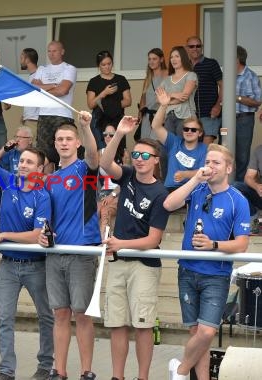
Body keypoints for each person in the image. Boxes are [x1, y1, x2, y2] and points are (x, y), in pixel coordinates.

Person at [0, 104, 53, 380]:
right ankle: (6, 371)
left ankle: (45, 366)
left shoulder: (43, 195)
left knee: (46, 317)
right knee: (5, 319)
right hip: (8, 265)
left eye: (29, 162)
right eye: (21, 161)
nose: (23, 165)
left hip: (36, 266)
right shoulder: (8, 181)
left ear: (40, 168)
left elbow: (37, 235)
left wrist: (4, 235)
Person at [164, 144, 250, 380]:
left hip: (216, 274)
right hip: (188, 270)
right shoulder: (197, 189)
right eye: (208, 162)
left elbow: (242, 244)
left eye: (216, 163)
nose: (210, 167)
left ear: (229, 168)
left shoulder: (238, 200)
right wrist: (194, 180)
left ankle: (179, 370)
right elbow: (169, 205)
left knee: (207, 331)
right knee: (195, 331)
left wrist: (214, 245)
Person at [100, 117, 170, 380]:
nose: (139, 159)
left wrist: (121, 244)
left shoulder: (161, 194)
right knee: (116, 324)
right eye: (136, 154)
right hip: (119, 263)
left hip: (144, 266)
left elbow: (153, 240)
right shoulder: (128, 175)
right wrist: (118, 134)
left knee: (143, 326)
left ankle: (143, 377)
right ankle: (118, 376)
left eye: (145, 155)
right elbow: (106, 164)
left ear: (155, 161)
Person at [38, 112, 100, 380]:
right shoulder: (49, 179)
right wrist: (43, 235)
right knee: (60, 313)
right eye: (59, 139)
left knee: (82, 314)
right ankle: (59, 371)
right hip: (55, 253)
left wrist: (85, 127)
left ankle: (86, 371)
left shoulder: (85, 170)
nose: (63, 143)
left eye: (68, 139)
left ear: (77, 143)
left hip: (82, 252)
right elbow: (46, 218)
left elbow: (95, 156)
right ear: (55, 143)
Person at [32, 41, 77, 173]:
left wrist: (43, 88)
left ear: (62, 51)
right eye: (49, 51)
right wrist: (54, 85)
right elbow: (34, 89)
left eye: (54, 51)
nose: (51, 54)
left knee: (64, 153)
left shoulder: (69, 68)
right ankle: (46, 187)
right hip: (44, 115)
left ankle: (64, 185)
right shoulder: (41, 69)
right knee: (44, 155)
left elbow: (63, 90)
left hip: (62, 116)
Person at [152, 88, 207, 192]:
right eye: (186, 129)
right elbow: (156, 126)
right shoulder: (174, 142)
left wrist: (186, 174)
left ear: (200, 133)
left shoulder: (205, 149)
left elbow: (205, 172)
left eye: (193, 130)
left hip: (193, 191)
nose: (189, 131)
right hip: (170, 189)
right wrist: (164, 105)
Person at [86, 50, 132, 148]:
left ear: (112, 63)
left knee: (119, 148)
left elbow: (128, 101)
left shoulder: (121, 79)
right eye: (103, 64)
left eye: (109, 64)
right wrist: (104, 93)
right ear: (98, 65)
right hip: (99, 120)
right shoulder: (94, 81)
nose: (107, 67)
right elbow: (90, 104)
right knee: (101, 148)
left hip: (117, 118)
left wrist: (112, 106)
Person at [185, 36, 223, 145]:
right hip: (190, 115)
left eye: (198, 46)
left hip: (209, 113)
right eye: (191, 46)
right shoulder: (184, 66)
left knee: (206, 149)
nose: (195, 49)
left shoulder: (211, 63)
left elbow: (223, 85)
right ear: (187, 48)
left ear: (202, 47)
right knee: (192, 148)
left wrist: (218, 105)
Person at [235, 45, 262, 183]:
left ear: (237, 59)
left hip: (244, 120)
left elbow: (258, 102)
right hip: (227, 119)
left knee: (242, 156)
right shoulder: (227, 75)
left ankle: (239, 188)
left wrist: (238, 98)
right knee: (225, 151)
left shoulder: (250, 76)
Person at [159, 46, 197, 137]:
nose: (173, 59)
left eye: (177, 56)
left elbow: (184, 97)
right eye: (171, 57)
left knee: (183, 146)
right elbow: (158, 99)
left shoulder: (191, 75)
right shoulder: (166, 80)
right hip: (169, 117)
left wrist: (167, 100)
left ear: (183, 58)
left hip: (186, 116)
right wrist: (174, 95)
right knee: (170, 146)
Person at [97, 125, 123, 240]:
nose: (108, 137)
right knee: (93, 212)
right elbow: (93, 176)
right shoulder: (99, 153)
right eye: (105, 134)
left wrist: (112, 195)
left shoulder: (124, 153)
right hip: (103, 191)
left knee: (105, 210)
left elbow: (126, 180)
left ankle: (105, 242)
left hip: (118, 191)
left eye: (111, 135)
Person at [137, 48, 168, 140]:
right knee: (145, 142)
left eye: (154, 59)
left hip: (161, 115)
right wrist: (140, 114)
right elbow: (143, 97)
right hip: (147, 116)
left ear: (161, 59)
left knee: (158, 143)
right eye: (149, 59)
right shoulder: (148, 78)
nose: (151, 61)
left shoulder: (167, 74)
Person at [234, 143, 262, 233]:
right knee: (236, 187)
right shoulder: (259, 150)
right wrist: (257, 186)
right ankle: (253, 218)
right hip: (260, 194)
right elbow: (248, 177)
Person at [20, 48, 40, 142]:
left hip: (34, 120)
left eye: (21, 57)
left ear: (27, 59)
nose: (20, 61)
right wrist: (24, 115)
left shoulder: (39, 75)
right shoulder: (31, 76)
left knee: (32, 150)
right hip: (29, 119)